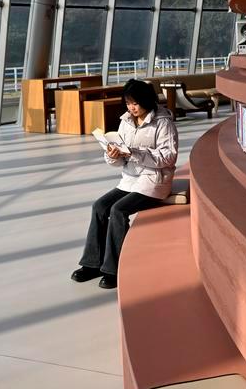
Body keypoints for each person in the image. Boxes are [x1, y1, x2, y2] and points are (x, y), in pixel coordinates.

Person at [71, 79, 179, 289]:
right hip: (130, 179)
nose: (131, 108)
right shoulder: (126, 121)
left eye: (135, 103)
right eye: (128, 103)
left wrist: (135, 153)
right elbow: (120, 159)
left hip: (154, 181)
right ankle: (92, 264)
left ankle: (113, 268)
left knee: (118, 210)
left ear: (146, 100)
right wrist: (112, 155)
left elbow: (169, 157)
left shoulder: (163, 122)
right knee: (99, 206)